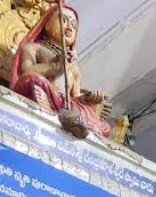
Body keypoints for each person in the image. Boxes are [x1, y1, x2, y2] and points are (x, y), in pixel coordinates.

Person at [10, 3, 111, 139]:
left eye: (74, 25)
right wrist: (56, 67)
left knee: (104, 126)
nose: (69, 27)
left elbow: (75, 96)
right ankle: (57, 112)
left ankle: (70, 119)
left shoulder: (73, 65)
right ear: (47, 25)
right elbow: (27, 70)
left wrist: (89, 99)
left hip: (63, 102)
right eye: (63, 20)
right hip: (44, 90)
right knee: (33, 79)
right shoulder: (33, 48)